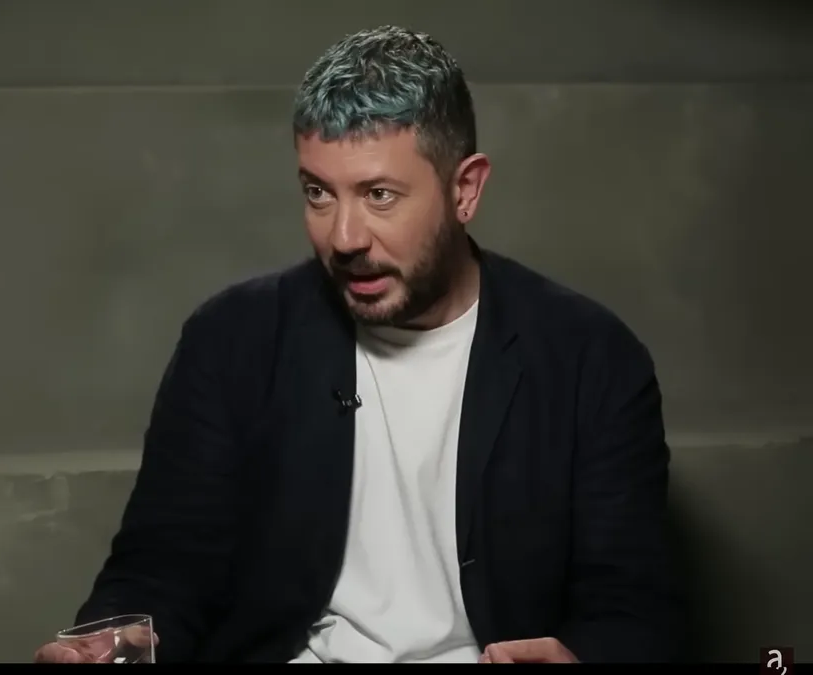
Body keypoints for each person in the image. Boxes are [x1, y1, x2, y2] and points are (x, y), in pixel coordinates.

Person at [35, 25, 682, 664]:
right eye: (318, 193)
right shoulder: (231, 339)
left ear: (465, 189)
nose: (344, 237)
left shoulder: (591, 359)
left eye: (379, 195)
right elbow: (161, 566)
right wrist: (111, 646)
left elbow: (631, 609)